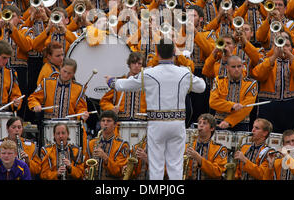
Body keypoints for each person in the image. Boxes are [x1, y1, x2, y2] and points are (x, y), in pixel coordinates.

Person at [107, 40, 206, 179]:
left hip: (156, 123)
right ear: (174, 52)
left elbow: (124, 85)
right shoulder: (184, 72)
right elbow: (202, 87)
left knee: (156, 166)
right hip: (177, 123)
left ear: (157, 53)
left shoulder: (148, 73)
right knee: (176, 165)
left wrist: (111, 81)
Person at [251, 33, 294, 133]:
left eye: (287, 45)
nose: (284, 48)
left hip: (292, 106)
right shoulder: (266, 60)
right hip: (269, 106)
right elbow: (258, 75)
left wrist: (290, 56)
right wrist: (274, 56)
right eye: (280, 45)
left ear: (292, 48)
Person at [209, 55, 258, 131]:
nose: (237, 69)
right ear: (227, 68)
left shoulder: (251, 84)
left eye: (239, 66)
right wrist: (232, 105)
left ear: (243, 67)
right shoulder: (219, 81)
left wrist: (229, 121)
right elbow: (213, 102)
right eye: (233, 67)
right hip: (220, 122)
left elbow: (246, 108)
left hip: (241, 124)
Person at [100, 52, 147, 121]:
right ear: (129, 64)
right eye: (133, 63)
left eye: (139, 63)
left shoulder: (147, 83)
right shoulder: (119, 82)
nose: (136, 66)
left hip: (142, 123)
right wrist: (111, 108)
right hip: (120, 123)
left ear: (143, 66)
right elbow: (104, 101)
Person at [84, 110, 129, 180]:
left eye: (109, 121)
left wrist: (105, 158)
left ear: (115, 125)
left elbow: (119, 172)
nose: (105, 123)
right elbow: (85, 165)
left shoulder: (122, 145)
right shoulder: (91, 143)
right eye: (103, 121)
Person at [183, 113, 228, 180]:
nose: (200, 125)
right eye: (199, 123)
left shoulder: (220, 149)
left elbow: (218, 173)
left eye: (204, 123)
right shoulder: (187, 146)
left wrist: (199, 159)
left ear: (212, 128)